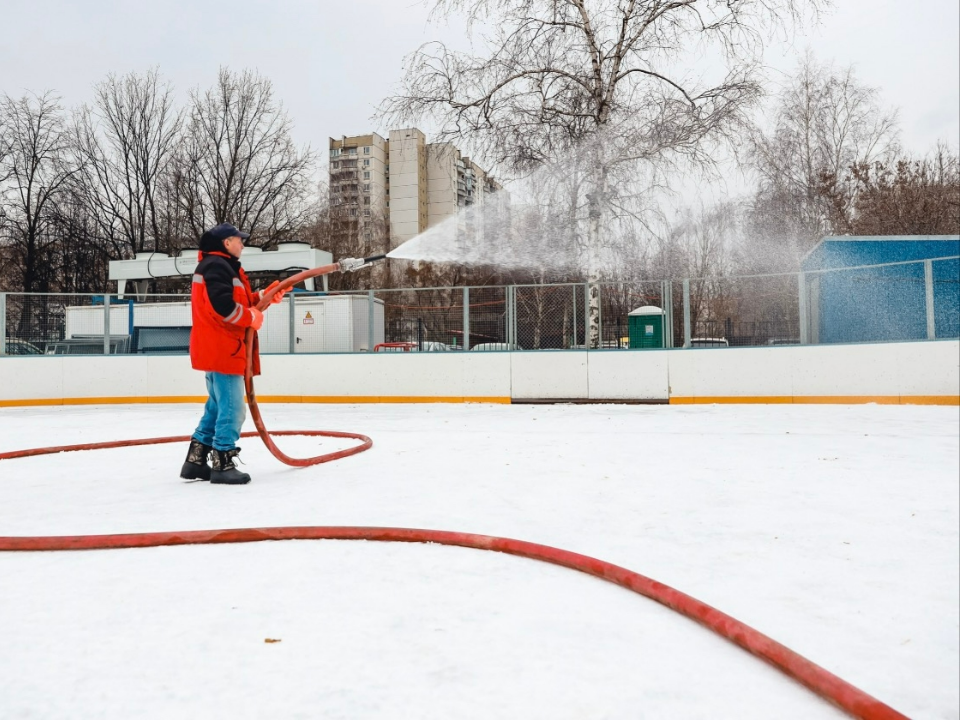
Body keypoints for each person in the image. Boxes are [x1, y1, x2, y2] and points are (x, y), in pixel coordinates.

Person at [180, 223, 285, 485]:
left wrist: (265, 296)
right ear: (227, 243)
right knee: (233, 408)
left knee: (217, 407)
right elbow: (223, 307)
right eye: (240, 240)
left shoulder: (219, 265)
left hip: (218, 347)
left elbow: (236, 300)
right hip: (224, 347)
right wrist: (251, 317)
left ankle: (195, 461)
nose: (243, 244)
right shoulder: (217, 266)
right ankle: (222, 463)